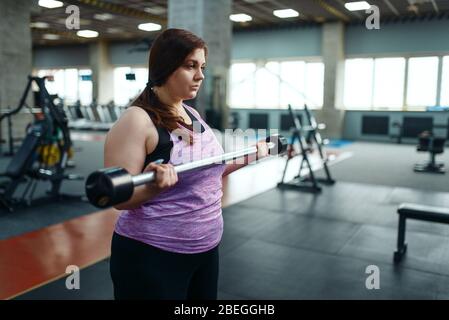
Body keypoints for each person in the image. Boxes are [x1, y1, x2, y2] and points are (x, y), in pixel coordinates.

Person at [105, 28, 269, 300]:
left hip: (205, 251)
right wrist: (155, 187)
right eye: (190, 66)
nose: (200, 75)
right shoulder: (137, 120)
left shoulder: (189, 113)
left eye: (202, 66)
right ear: (166, 67)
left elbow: (206, 170)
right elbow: (120, 199)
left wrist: (255, 154)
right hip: (153, 255)